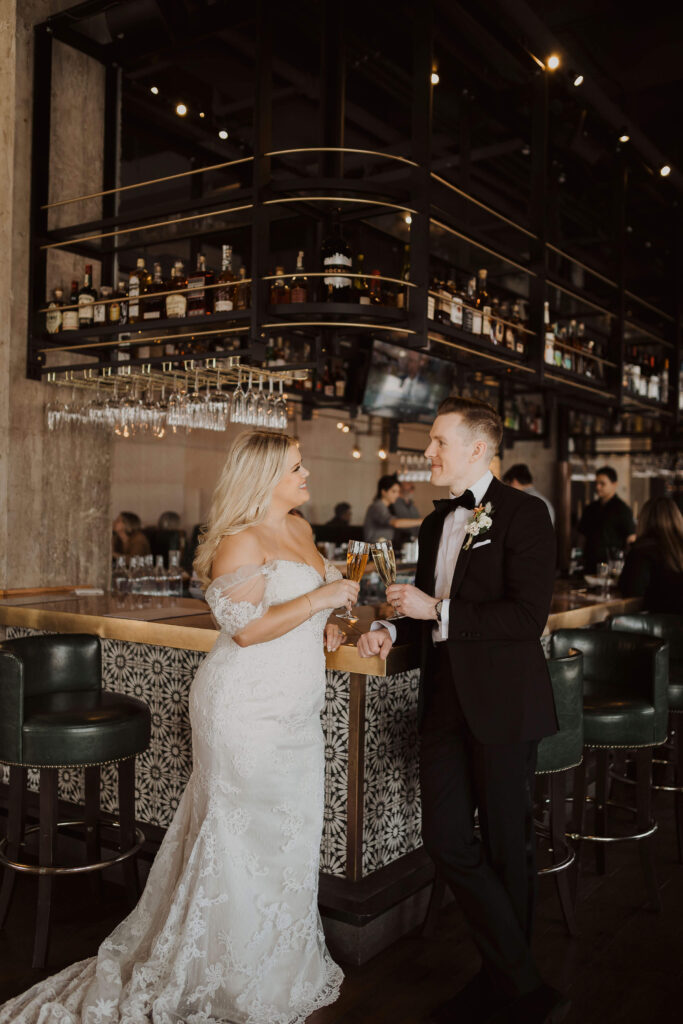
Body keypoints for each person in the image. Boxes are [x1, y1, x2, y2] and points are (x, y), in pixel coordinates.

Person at [1, 430, 359, 1024]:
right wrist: (321, 599)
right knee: (240, 839)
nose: (306, 476)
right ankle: (228, 978)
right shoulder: (236, 541)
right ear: (263, 477)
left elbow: (292, 619)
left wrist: (330, 628)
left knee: (287, 839)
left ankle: (278, 964)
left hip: (296, 711)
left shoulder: (300, 528)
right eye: (296, 467)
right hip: (244, 710)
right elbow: (245, 630)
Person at [357, 396, 565, 1024]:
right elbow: (429, 613)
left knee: (507, 845)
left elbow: (527, 618)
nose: (428, 453)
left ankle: (501, 984)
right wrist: (394, 632)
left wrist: (435, 612)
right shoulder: (433, 522)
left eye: (439, 442)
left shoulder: (528, 514)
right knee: (445, 838)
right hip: (444, 699)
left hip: (503, 702)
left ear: (478, 448)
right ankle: (523, 982)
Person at [618, 496, 683, 613]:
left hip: (658, 624)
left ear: (643, 520)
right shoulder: (678, 547)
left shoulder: (642, 550)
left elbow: (631, 592)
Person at [578, 465, 636, 572]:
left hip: (612, 565)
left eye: (602, 484)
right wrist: (578, 556)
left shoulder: (622, 509)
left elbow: (631, 538)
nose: (597, 487)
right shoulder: (590, 508)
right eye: (596, 483)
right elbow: (582, 537)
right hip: (589, 564)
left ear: (614, 485)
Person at [363, 474, 422, 544]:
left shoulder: (387, 507)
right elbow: (395, 523)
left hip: (382, 549)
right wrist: (422, 521)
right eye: (394, 491)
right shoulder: (377, 506)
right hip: (374, 550)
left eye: (398, 492)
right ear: (383, 492)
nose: (397, 495)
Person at [391, 480, 421, 548]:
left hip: (412, 544)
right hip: (398, 545)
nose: (411, 484)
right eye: (407, 481)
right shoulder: (393, 503)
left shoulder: (412, 505)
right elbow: (396, 523)